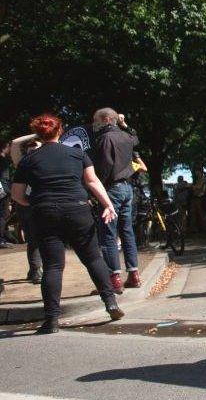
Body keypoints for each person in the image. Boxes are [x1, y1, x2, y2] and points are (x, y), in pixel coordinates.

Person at [9, 114, 125, 333]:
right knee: (92, 258)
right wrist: (108, 205)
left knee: (53, 266)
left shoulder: (29, 160)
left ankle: (51, 320)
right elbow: (92, 181)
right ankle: (110, 302)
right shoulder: (76, 153)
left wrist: (36, 203)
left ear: (38, 134)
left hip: (45, 213)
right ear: (60, 130)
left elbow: (17, 195)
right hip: (77, 208)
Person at [91, 108, 141, 292]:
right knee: (127, 231)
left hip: (111, 188)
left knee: (108, 235)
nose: (93, 123)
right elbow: (136, 138)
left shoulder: (104, 139)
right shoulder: (126, 137)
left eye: (95, 120)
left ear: (104, 119)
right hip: (128, 188)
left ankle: (114, 279)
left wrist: (97, 191)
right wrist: (124, 123)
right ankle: (134, 274)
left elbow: (104, 167)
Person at [9, 134, 44, 283]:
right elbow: (15, 143)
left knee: (40, 239)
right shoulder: (23, 162)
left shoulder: (46, 161)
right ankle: (37, 270)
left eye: (36, 147)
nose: (33, 149)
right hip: (26, 205)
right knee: (34, 239)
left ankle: (35, 269)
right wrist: (37, 134)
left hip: (41, 204)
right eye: (30, 148)